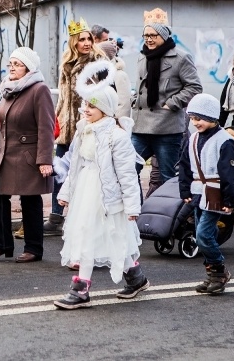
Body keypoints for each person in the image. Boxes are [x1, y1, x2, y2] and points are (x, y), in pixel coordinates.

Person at [53, 79, 148, 309]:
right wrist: (66, 192)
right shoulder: (83, 130)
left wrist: (133, 207)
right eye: (85, 104)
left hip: (107, 195)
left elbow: (127, 175)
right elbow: (75, 165)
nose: (85, 109)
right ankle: (135, 277)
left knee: (113, 236)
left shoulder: (117, 136)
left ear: (105, 109)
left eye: (91, 106)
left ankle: (81, 290)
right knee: (88, 234)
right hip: (85, 191)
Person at [0, 47, 54, 263]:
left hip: (27, 154)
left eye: (17, 64)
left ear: (28, 68)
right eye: (10, 64)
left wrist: (44, 160)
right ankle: (1, 244)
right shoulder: (9, 89)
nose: (12, 68)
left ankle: (33, 248)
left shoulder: (39, 89)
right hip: (7, 153)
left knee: (30, 199)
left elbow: (46, 126)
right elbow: (9, 117)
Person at [46, 18, 107, 236]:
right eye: (81, 39)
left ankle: (89, 219)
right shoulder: (66, 64)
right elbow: (63, 98)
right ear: (74, 42)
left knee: (89, 175)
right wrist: (57, 119)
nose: (87, 43)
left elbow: (103, 97)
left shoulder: (98, 63)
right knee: (60, 172)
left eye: (89, 38)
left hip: (88, 126)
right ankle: (55, 216)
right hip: (66, 130)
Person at [131, 8, 202, 193]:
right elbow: (140, 86)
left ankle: (174, 218)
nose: (148, 39)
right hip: (140, 127)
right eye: (146, 35)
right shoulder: (142, 56)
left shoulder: (181, 57)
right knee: (128, 171)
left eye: (153, 35)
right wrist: (134, 99)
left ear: (163, 34)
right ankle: (136, 213)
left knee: (168, 177)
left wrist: (171, 103)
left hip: (167, 128)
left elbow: (195, 88)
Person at [179, 93, 234, 295]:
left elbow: (231, 173)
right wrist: (184, 188)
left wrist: (230, 199)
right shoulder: (193, 139)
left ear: (213, 117)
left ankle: (220, 271)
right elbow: (185, 165)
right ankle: (212, 275)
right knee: (204, 235)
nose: (195, 123)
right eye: (192, 118)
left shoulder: (224, 141)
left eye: (199, 118)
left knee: (203, 235)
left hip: (215, 193)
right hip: (198, 193)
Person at [99, 39, 132, 118]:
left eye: (98, 55)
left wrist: (117, 123)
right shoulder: (99, 74)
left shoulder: (119, 75)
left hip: (113, 124)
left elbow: (124, 104)